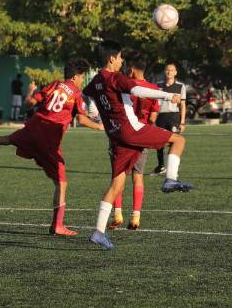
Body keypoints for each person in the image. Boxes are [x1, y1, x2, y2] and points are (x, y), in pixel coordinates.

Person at [0, 58, 103, 236]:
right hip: (49, 137)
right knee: (61, 183)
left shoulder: (54, 85)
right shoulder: (76, 94)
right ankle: (57, 225)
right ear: (75, 77)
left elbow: (30, 104)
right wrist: (99, 126)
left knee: (6, 139)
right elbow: (81, 119)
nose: (82, 80)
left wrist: (30, 91)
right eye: (82, 77)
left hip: (34, 127)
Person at [83, 41, 193, 250]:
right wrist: (169, 95)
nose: (122, 60)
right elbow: (140, 89)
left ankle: (98, 231)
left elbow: (86, 93)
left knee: (116, 185)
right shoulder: (115, 78)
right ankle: (170, 179)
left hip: (115, 135)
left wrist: (93, 110)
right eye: (120, 56)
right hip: (130, 129)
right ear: (112, 58)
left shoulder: (96, 80)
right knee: (178, 140)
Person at [109, 51, 161, 231]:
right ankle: (136, 217)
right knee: (138, 177)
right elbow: (153, 118)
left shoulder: (125, 86)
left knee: (119, 176)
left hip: (122, 135)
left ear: (131, 69)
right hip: (142, 136)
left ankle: (117, 213)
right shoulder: (154, 89)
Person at [151, 62, 187, 176]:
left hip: (174, 117)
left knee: (174, 142)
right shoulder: (158, 86)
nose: (169, 72)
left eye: (172, 70)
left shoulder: (180, 86)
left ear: (175, 72)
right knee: (159, 142)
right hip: (161, 117)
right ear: (164, 72)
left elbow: (182, 105)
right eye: (167, 70)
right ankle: (161, 166)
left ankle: (173, 168)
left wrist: (182, 122)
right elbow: (155, 103)